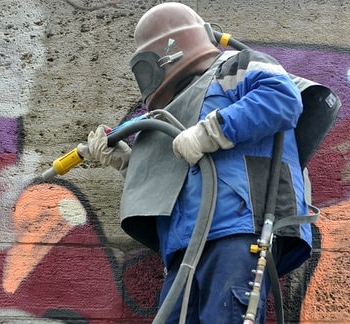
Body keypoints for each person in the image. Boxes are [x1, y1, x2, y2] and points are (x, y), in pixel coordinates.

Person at [79, 2, 313, 323]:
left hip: (237, 229)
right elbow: (177, 175)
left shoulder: (236, 64)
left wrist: (214, 130)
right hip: (184, 247)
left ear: (169, 49)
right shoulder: (173, 108)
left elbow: (282, 98)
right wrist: (127, 162)